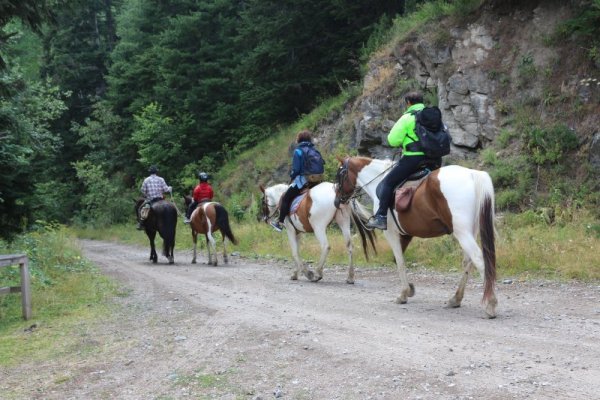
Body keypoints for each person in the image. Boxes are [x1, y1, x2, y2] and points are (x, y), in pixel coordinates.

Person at [365, 91, 431, 230]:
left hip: (414, 159)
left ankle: (381, 217)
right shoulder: (433, 115)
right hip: (434, 158)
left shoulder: (407, 117)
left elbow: (392, 140)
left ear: (408, 103)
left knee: (388, 182)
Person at [270, 130, 324, 232]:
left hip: (304, 181)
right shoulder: (314, 150)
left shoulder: (298, 151)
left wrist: (292, 175)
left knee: (286, 197)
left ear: (299, 139)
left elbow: (296, 170)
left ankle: (280, 223)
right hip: (317, 180)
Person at [137, 165, 172, 230]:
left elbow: (143, 191)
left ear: (150, 172)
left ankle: (141, 223)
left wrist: (146, 194)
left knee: (140, 208)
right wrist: (170, 188)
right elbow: (166, 189)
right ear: (156, 172)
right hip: (160, 199)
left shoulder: (146, 180)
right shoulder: (161, 179)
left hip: (150, 200)